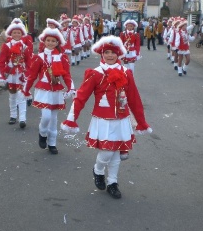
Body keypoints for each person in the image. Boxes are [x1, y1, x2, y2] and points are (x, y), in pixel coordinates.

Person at [61, 35, 152, 199]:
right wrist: (71, 119)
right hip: (103, 120)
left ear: (119, 54)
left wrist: (141, 122)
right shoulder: (95, 74)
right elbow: (81, 97)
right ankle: (98, 170)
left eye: (113, 52)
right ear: (102, 54)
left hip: (122, 119)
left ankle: (113, 182)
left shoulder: (126, 73)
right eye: (107, 52)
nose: (110, 55)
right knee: (107, 153)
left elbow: (134, 99)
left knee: (116, 153)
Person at [23, 28, 75, 155]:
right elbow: (33, 75)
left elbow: (66, 75)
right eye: (48, 40)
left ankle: (52, 143)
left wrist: (71, 88)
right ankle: (42, 134)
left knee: (54, 118)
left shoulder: (62, 57)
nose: (50, 43)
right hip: (43, 90)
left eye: (53, 41)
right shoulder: (39, 57)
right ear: (44, 41)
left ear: (57, 43)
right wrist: (26, 89)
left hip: (56, 90)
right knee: (46, 117)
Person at [0, 18, 33, 128]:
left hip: (21, 75)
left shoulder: (25, 47)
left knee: (21, 97)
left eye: (18, 32)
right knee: (12, 96)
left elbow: (29, 62)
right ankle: (13, 116)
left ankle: (22, 119)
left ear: (22, 34)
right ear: (10, 33)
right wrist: (1, 76)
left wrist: (28, 74)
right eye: (14, 32)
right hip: (10, 74)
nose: (16, 34)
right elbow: (1, 62)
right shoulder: (6, 46)